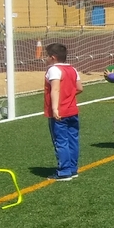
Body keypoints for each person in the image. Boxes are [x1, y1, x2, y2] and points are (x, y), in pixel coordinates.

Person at [44, 43, 82, 181]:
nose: (45, 59)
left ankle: (64, 171)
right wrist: (69, 95)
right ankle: (73, 168)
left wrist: (55, 108)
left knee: (61, 141)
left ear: (53, 57)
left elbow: (55, 89)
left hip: (60, 112)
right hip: (72, 110)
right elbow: (79, 88)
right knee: (73, 139)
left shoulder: (53, 70)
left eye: (46, 56)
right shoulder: (73, 69)